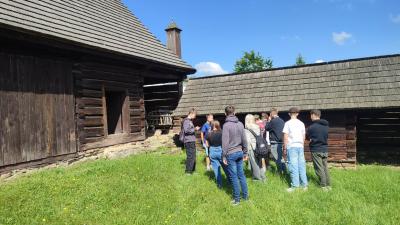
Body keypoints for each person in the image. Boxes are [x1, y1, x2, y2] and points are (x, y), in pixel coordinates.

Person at [222, 105, 249, 205]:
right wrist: (245, 152)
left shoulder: (226, 125)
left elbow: (225, 142)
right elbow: (244, 139)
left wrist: (223, 156)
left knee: (234, 177)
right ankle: (246, 197)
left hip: (231, 153)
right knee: (241, 175)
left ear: (225, 113)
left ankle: (237, 200)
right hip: (240, 152)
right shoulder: (240, 124)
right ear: (235, 112)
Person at [283, 107, 308, 192]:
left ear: (289, 114)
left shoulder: (287, 123)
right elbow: (303, 137)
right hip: (300, 146)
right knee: (301, 165)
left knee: (293, 166)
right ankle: (304, 185)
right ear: (297, 114)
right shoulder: (301, 123)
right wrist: (302, 145)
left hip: (292, 146)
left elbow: (286, 137)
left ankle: (295, 186)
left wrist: (285, 148)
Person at [307, 109, 331, 190]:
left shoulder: (312, 127)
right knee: (325, 167)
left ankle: (323, 185)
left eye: (311, 115)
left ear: (314, 115)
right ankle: (328, 185)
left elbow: (308, 138)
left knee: (319, 168)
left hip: (316, 150)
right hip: (325, 149)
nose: (310, 117)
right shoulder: (326, 126)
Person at [244, 114, 266, 182]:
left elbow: (248, 141)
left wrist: (246, 152)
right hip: (259, 147)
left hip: (252, 148)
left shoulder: (247, 129)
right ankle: (263, 177)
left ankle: (257, 179)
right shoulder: (257, 127)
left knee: (254, 164)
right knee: (259, 163)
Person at [206, 120, 226, 188]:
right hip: (221, 151)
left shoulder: (208, 134)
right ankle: (230, 181)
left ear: (212, 126)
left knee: (216, 169)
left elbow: (207, 145)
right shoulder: (222, 132)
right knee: (226, 167)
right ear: (218, 125)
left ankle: (219, 185)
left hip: (212, 151)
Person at [266, 108, 286, 173]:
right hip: (281, 141)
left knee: (277, 158)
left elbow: (267, 128)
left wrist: (268, 121)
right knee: (281, 158)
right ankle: (284, 170)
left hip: (275, 142)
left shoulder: (273, 121)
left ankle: (280, 172)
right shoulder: (282, 120)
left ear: (271, 114)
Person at [182, 108, 200, 175]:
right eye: (195, 115)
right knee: (190, 156)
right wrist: (195, 129)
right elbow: (186, 130)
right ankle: (188, 171)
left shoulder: (190, 121)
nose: (195, 117)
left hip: (191, 140)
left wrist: (193, 129)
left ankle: (193, 170)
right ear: (191, 113)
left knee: (194, 156)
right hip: (188, 141)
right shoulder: (186, 121)